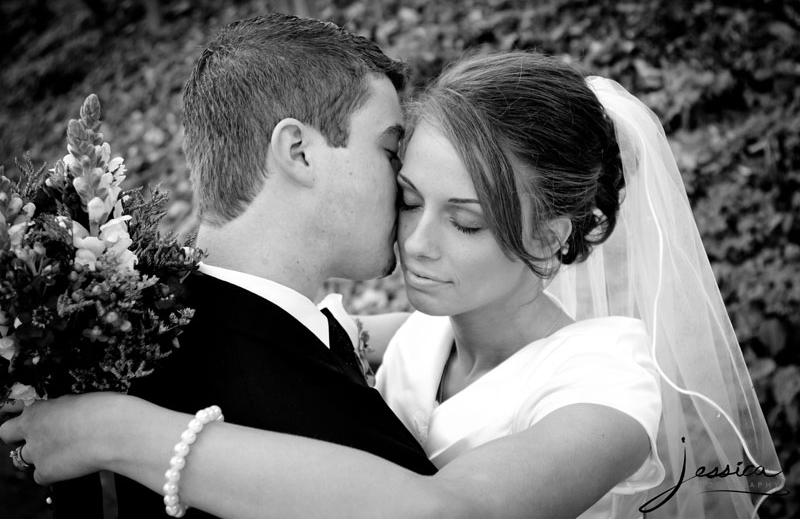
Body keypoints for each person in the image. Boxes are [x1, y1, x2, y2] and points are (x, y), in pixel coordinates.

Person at [2, 52, 784, 518]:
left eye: (467, 222)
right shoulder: (427, 326)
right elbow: (289, 323)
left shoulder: (614, 389)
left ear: (553, 232)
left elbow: (445, 511)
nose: (416, 242)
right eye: (410, 198)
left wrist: (121, 434)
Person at [40, 12, 437, 518]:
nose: (406, 182)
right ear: (299, 153)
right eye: (389, 150)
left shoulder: (149, 328)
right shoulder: (317, 430)